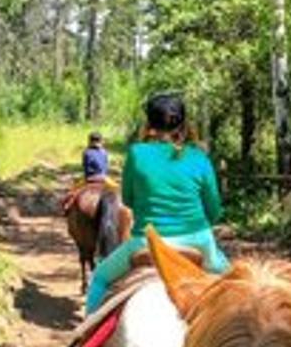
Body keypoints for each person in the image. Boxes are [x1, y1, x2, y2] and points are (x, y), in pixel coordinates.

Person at [84, 92, 227, 314]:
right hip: (199, 242)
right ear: (183, 124)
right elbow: (215, 212)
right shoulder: (199, 157)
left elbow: (129, 200)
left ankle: (86, 340)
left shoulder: (137, 153)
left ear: (149, 124)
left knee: (100, 277)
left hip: (146, 242)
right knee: (233, 287)